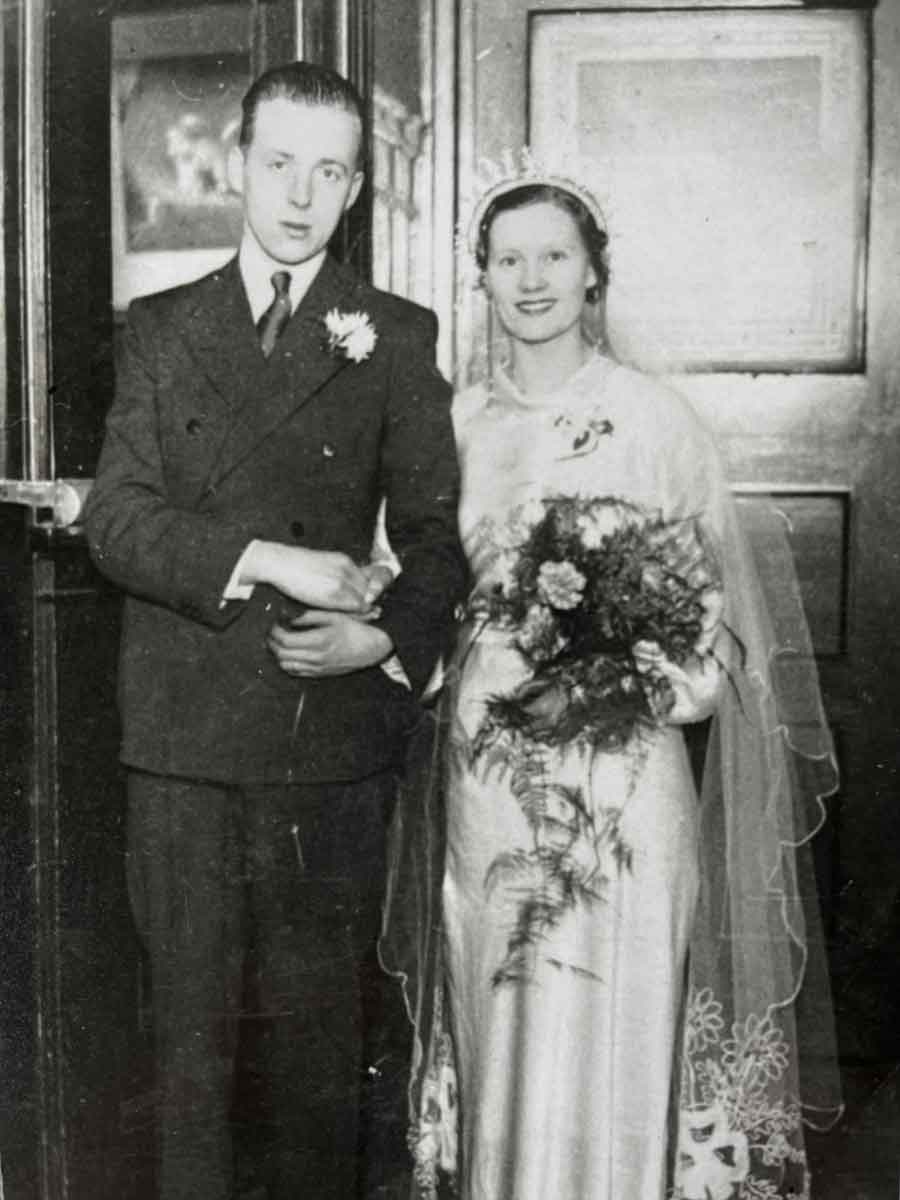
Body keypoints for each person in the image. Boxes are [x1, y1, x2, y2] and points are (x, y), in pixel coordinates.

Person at [380, 160, 841, 1200]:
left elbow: (714, 629)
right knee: (501, 1002)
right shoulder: (450, 428)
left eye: (555, 256)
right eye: (508, 260)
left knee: (624, 1012)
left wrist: (649, 670)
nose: (530, 279)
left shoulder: (657, 420)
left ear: (595, 275)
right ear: (482, 278)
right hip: (492, 770)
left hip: (626, 772)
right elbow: (413, 587)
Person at [83, 61, 466, 1200]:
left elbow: (439, 540)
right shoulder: (161, 328)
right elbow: (114, 517)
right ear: (239, 163)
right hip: (184, 742)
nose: (302, 193)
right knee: (188, 1053)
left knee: (313, 1058)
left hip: (326, 736)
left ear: (356, 190)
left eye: (331, 171)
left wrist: (384, 639)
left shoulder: (392, 333)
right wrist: (267, 559)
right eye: (282, 162)